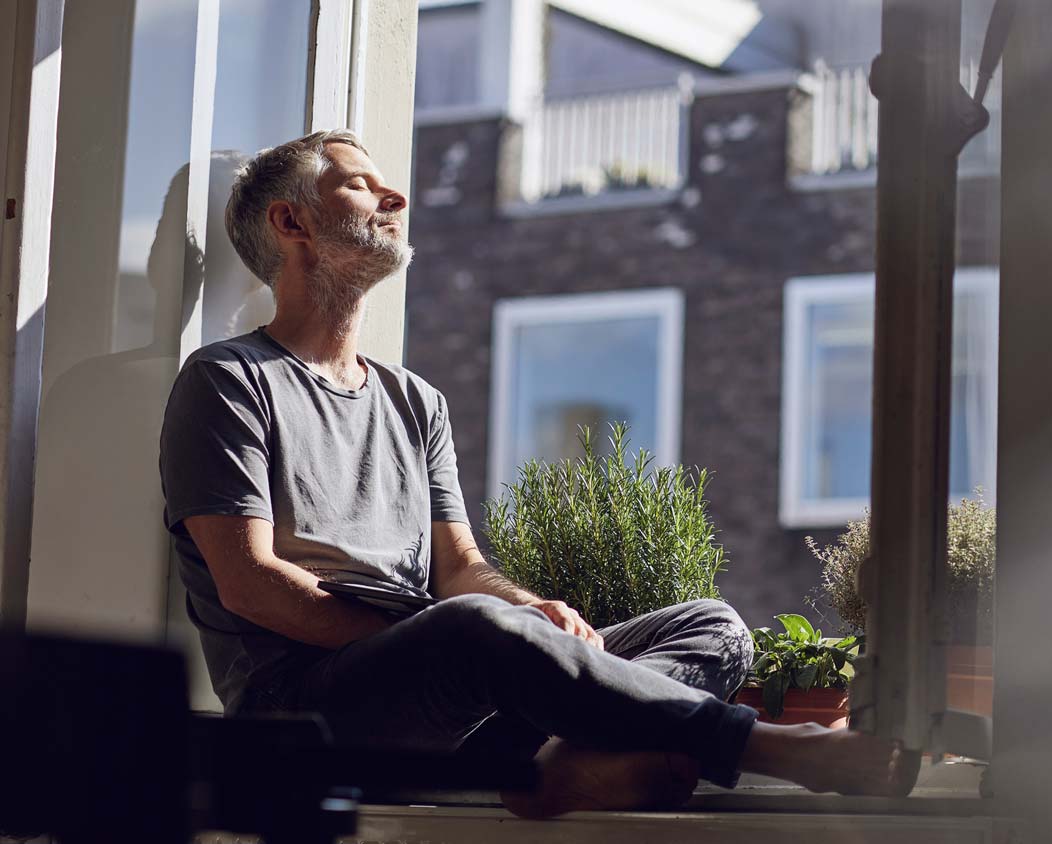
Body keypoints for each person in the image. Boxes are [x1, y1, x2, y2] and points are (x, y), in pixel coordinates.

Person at [158, 130, 919, 817]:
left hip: (453, 699)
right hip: (311, 711)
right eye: (359, 183)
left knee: (709, 626)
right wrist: (461, 632)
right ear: (291, 224)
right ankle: (776, 750)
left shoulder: (413, 400)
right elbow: (250, 582)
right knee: (476, 628)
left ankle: (567, 765)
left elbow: (460, 569)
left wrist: (533, 610)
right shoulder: (228, 379)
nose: (395, 197)